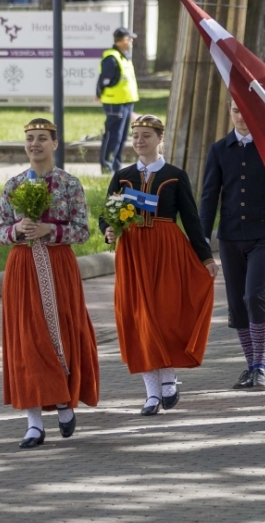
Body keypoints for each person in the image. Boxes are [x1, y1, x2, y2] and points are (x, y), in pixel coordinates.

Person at [104, 115, 217, 416]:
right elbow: (107, 214)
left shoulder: (175, 176)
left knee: (165, 314)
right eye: (136, 135)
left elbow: (191, 219)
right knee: (139, 317)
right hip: (132, 253)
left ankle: (169, 378)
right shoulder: (123, 176)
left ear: (160, 139)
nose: (140, 141)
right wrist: (109, 229)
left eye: (146, 135)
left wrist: (205, 256)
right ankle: (152, 392)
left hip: (167, 250)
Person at [0, 118, 99, 449]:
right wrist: (19, 230)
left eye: (42, 138)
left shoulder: (69, 185)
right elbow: (1, 232)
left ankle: (63, 401)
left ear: (55, 144)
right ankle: (33, 423)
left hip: (58, 267)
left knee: (62, 332)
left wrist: (50, 231)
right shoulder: (13, 185)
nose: (34, 144)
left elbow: (83, 230)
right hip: (23, 267)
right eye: (29, 138)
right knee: (27, 339)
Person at [200, 99, 265, 391]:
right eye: (235, 110)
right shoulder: (219, 149)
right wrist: (203, 241)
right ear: (229, 113)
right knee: (236, 302)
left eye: (246, 109)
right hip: (229, 236)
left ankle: (261, 364)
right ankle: (250, 364)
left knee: (255, 295)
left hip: (263, 235)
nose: (241, 116)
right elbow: (209, 198)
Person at [96, 26, 140, 173]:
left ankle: (116, 166)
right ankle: (107, 166)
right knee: (113, 134)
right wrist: (99, 93)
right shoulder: (112, 58)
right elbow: (104, 79)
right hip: (115, 103)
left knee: (121, 136)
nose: (132, 41)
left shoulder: (123, 56)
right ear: (122, 40)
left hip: (126, 102)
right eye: (129, 38)